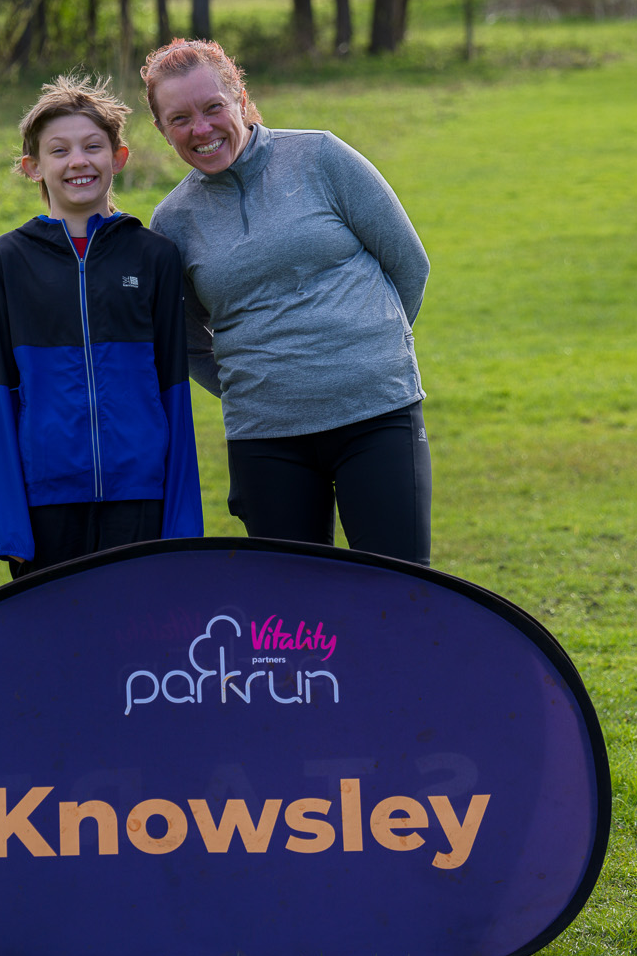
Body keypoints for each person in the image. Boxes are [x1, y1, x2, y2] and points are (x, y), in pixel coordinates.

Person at [144, 39, 432, 565]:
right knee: (291, 618)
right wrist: (250, 384)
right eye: (180, 118)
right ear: (163, 130)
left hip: (377, 413)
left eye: (213, 108)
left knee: (401, 591)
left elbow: (408, 263)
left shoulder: (320, 156)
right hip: (266, 437)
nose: (201, 129)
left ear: (241, 99)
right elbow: (185, 341)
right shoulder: (172, 222)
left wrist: (371, 352)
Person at [0, 76, 202, 578]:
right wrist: (12, 525)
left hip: (141, 492)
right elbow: (0, 395)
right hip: (48, 499)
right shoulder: (8, 260)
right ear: (32, 167)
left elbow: (174, 390)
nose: (78, 161)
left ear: (118, 157)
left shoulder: (155, 256)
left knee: (139, 646)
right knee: (58, 652)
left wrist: (182, 522)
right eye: (59, 151)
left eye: (92, 147)